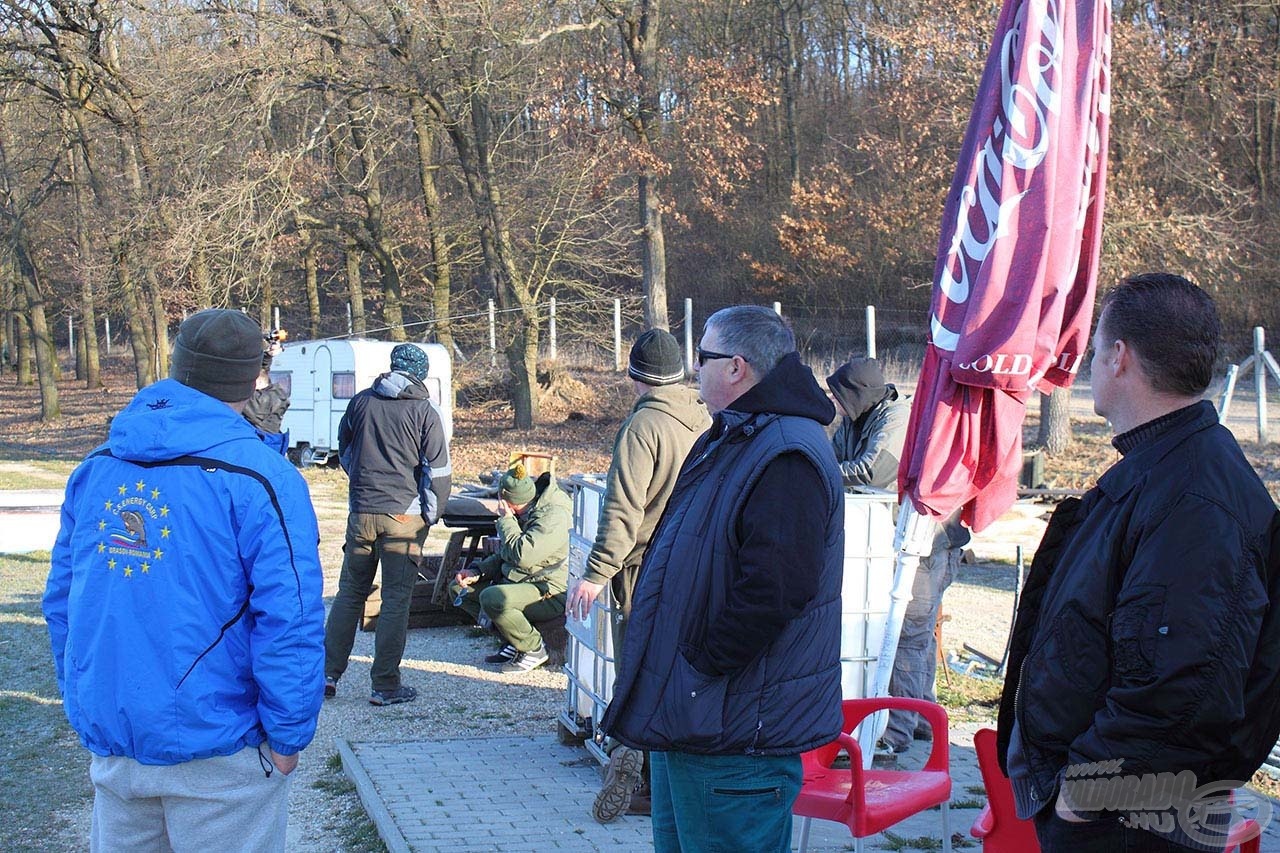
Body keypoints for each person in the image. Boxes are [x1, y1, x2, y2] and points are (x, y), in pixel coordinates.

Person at [997, 273, 1280, 852]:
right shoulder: (1165, 471)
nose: (1090, 366)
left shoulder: (1195, 497)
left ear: (1119, 357)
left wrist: (1084, 795)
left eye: (1096, 350)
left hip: (1128, 822)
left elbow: (1180, 685)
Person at [43, 308, 326, 852]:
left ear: (177, 368)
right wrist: (289, 735)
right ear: (252, 378)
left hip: (125, 741)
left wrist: (88, 702)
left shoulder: (98, 466)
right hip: (216, 753)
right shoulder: (264, 478)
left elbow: (62, 605)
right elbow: (289, 617)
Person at [600, 305, 845, 852]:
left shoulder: (785, 453)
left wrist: (699, 665)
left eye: (703, 358)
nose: (694, 371)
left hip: (733, 731)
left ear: (736, 367)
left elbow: (775, 590)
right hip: (697, 720)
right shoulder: (737, 437)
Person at [564, 328, 710, 822]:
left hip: (645, 567)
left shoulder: (643, 428)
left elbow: (623, 509)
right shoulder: (706, 417)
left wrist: (595, 572)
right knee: (678, 668)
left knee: (637, 667)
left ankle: (637, 771)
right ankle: (675, 769)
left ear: (634, 377)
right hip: (697, 562)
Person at [826, 356, 968, 758]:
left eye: (839, 395)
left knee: (905, 635)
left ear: (859, 395)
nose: (834, 403)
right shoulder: (856, 421)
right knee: (914, 637)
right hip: (905, 537)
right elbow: (837, 459)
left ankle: (896, 732)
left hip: (930, 541)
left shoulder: (897, 417)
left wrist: (819, 470)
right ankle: (924, 719)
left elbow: (873, 471)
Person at [323, 343, 452, 706]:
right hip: (404, 518)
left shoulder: (361, 402)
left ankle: (327, 675)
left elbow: (344, 451)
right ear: (420, 374)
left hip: (362, 513)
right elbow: (438, 471)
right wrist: (432, 512)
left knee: (350, 593)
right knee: (395, 599)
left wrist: (362, 489)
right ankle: (385, 685)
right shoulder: (425, 412)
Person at [451, 463, 573, 673]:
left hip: (549, 590)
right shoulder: (529, 510)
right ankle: (513, 640)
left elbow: (522, 556)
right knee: (459, 590)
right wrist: (477, 571)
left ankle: (533, 648)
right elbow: (505, 553)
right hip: (522, 582)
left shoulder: (553, 517)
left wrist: (506, 521)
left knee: (493, 598)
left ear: (509, 502)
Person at [242, 349, 290, 434]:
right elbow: (261, 371)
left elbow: (236, 390)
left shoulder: (258, 402)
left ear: (258, 382)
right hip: (267, 442)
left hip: (258, 442)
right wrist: (267, 357)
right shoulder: (276, 395)